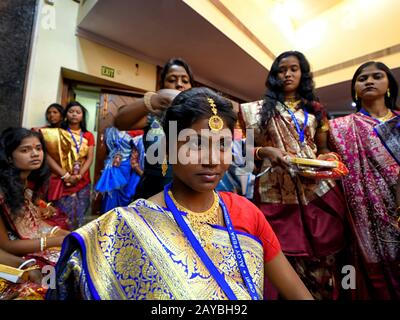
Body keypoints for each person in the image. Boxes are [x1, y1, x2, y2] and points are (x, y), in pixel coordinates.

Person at [46, 87, 313, 300]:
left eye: (222, 144)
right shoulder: (129, 225)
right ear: (168, 147)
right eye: (195, 143)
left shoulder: (247, 213)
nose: (212, 160)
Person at [243, 51, 348, 300]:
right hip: (275, 191)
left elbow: (322, 149)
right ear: (273, 75)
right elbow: (247, 153)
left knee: (322, 255)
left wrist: (328, 159)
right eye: (281, 70)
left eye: (293, 69)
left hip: (315, 190)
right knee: (279, 253)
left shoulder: (315, 110)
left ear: (303, 73)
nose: (287, 74)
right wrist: (265, 150)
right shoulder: (256, 111)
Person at [329, 61, 400, 299]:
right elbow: (334, 161)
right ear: (355, 90)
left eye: (377, 76)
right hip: (364, 215)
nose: (369, 81)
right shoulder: (339, 127)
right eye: (362, 78)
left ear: (389, 84)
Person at [114, 58, 194, 199]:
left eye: (185, 81)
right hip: (151, 192)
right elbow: (120, 122)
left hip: (187, 193)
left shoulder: (196, 118)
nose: (179, 84)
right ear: (162, 84)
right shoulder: (153, 116)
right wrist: (150, 100)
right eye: (172, 79)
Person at [0, 127, 69, 269]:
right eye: (25, 150)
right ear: (9, 157)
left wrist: (68, 236)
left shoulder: (25, 185)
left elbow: (36, 225)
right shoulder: (1, 192)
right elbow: (6, 245)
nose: (35, 154)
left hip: (30, 244)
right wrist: (57, 241)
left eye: (38, 148)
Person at [41, 101, 95, 229]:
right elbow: (49, 156)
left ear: (82, 116)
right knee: (63, 216)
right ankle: (63, 241)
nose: (74, 115)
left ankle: (78, 239)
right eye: (71, 112)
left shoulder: (88, 135)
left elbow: (90, 158)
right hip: (62, 179)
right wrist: (65, 175)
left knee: (80, 214)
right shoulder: (57, 133)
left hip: (82, 179)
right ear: (66, 115)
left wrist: (79, 175)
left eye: (78, 112)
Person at [94, 126, 144, 213]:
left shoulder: (137, 132)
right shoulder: (110, 130)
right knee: (111, 191)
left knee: (124, 191)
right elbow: (108, 147)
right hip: (113, 163)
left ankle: (120, 216)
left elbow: (137, 152)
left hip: (126, 166)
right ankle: (108, 216)